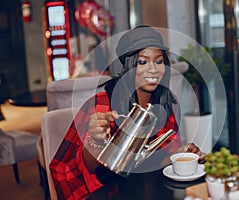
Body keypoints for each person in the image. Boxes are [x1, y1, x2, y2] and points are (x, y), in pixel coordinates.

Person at [49, 25, 206, 200]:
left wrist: (182, 154)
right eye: (143, 62)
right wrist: (96, 138)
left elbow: (153, 157)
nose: (153, 69)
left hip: (141, 183)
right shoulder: (104, 103)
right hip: (98, 187)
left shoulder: (162, 102)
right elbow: (92, 167)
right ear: (129, 65)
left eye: (159, 61)